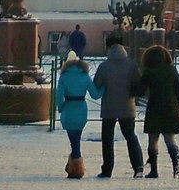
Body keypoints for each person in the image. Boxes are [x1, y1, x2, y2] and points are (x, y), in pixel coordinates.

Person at [93, 32, 146, 180]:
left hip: (109, 107)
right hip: (127, 106)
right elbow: (138, 82)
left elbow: (96, 85)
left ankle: (107, 170)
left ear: (108, 48)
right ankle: (138, 166)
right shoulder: (131, 64)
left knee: (107, 139)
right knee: (130, 136)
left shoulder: (104, 66)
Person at [138, 42, 179, 178]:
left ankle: (154, 170)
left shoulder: (149, 71)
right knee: (170, 139)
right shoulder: (172, 70)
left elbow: (140, 91)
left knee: (153, 140)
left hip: (154, 107)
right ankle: (175, 166)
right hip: (171, 107)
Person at [57, 49, 100, 178]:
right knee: (76, 140)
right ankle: (74, 166)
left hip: (69, 109)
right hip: (81, 109)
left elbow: (59, 97)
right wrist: (105, 87)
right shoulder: (85, 76)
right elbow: (95, 94)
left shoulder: (64, 77)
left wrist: (60, 107)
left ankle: (76, 168)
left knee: (73, 141)